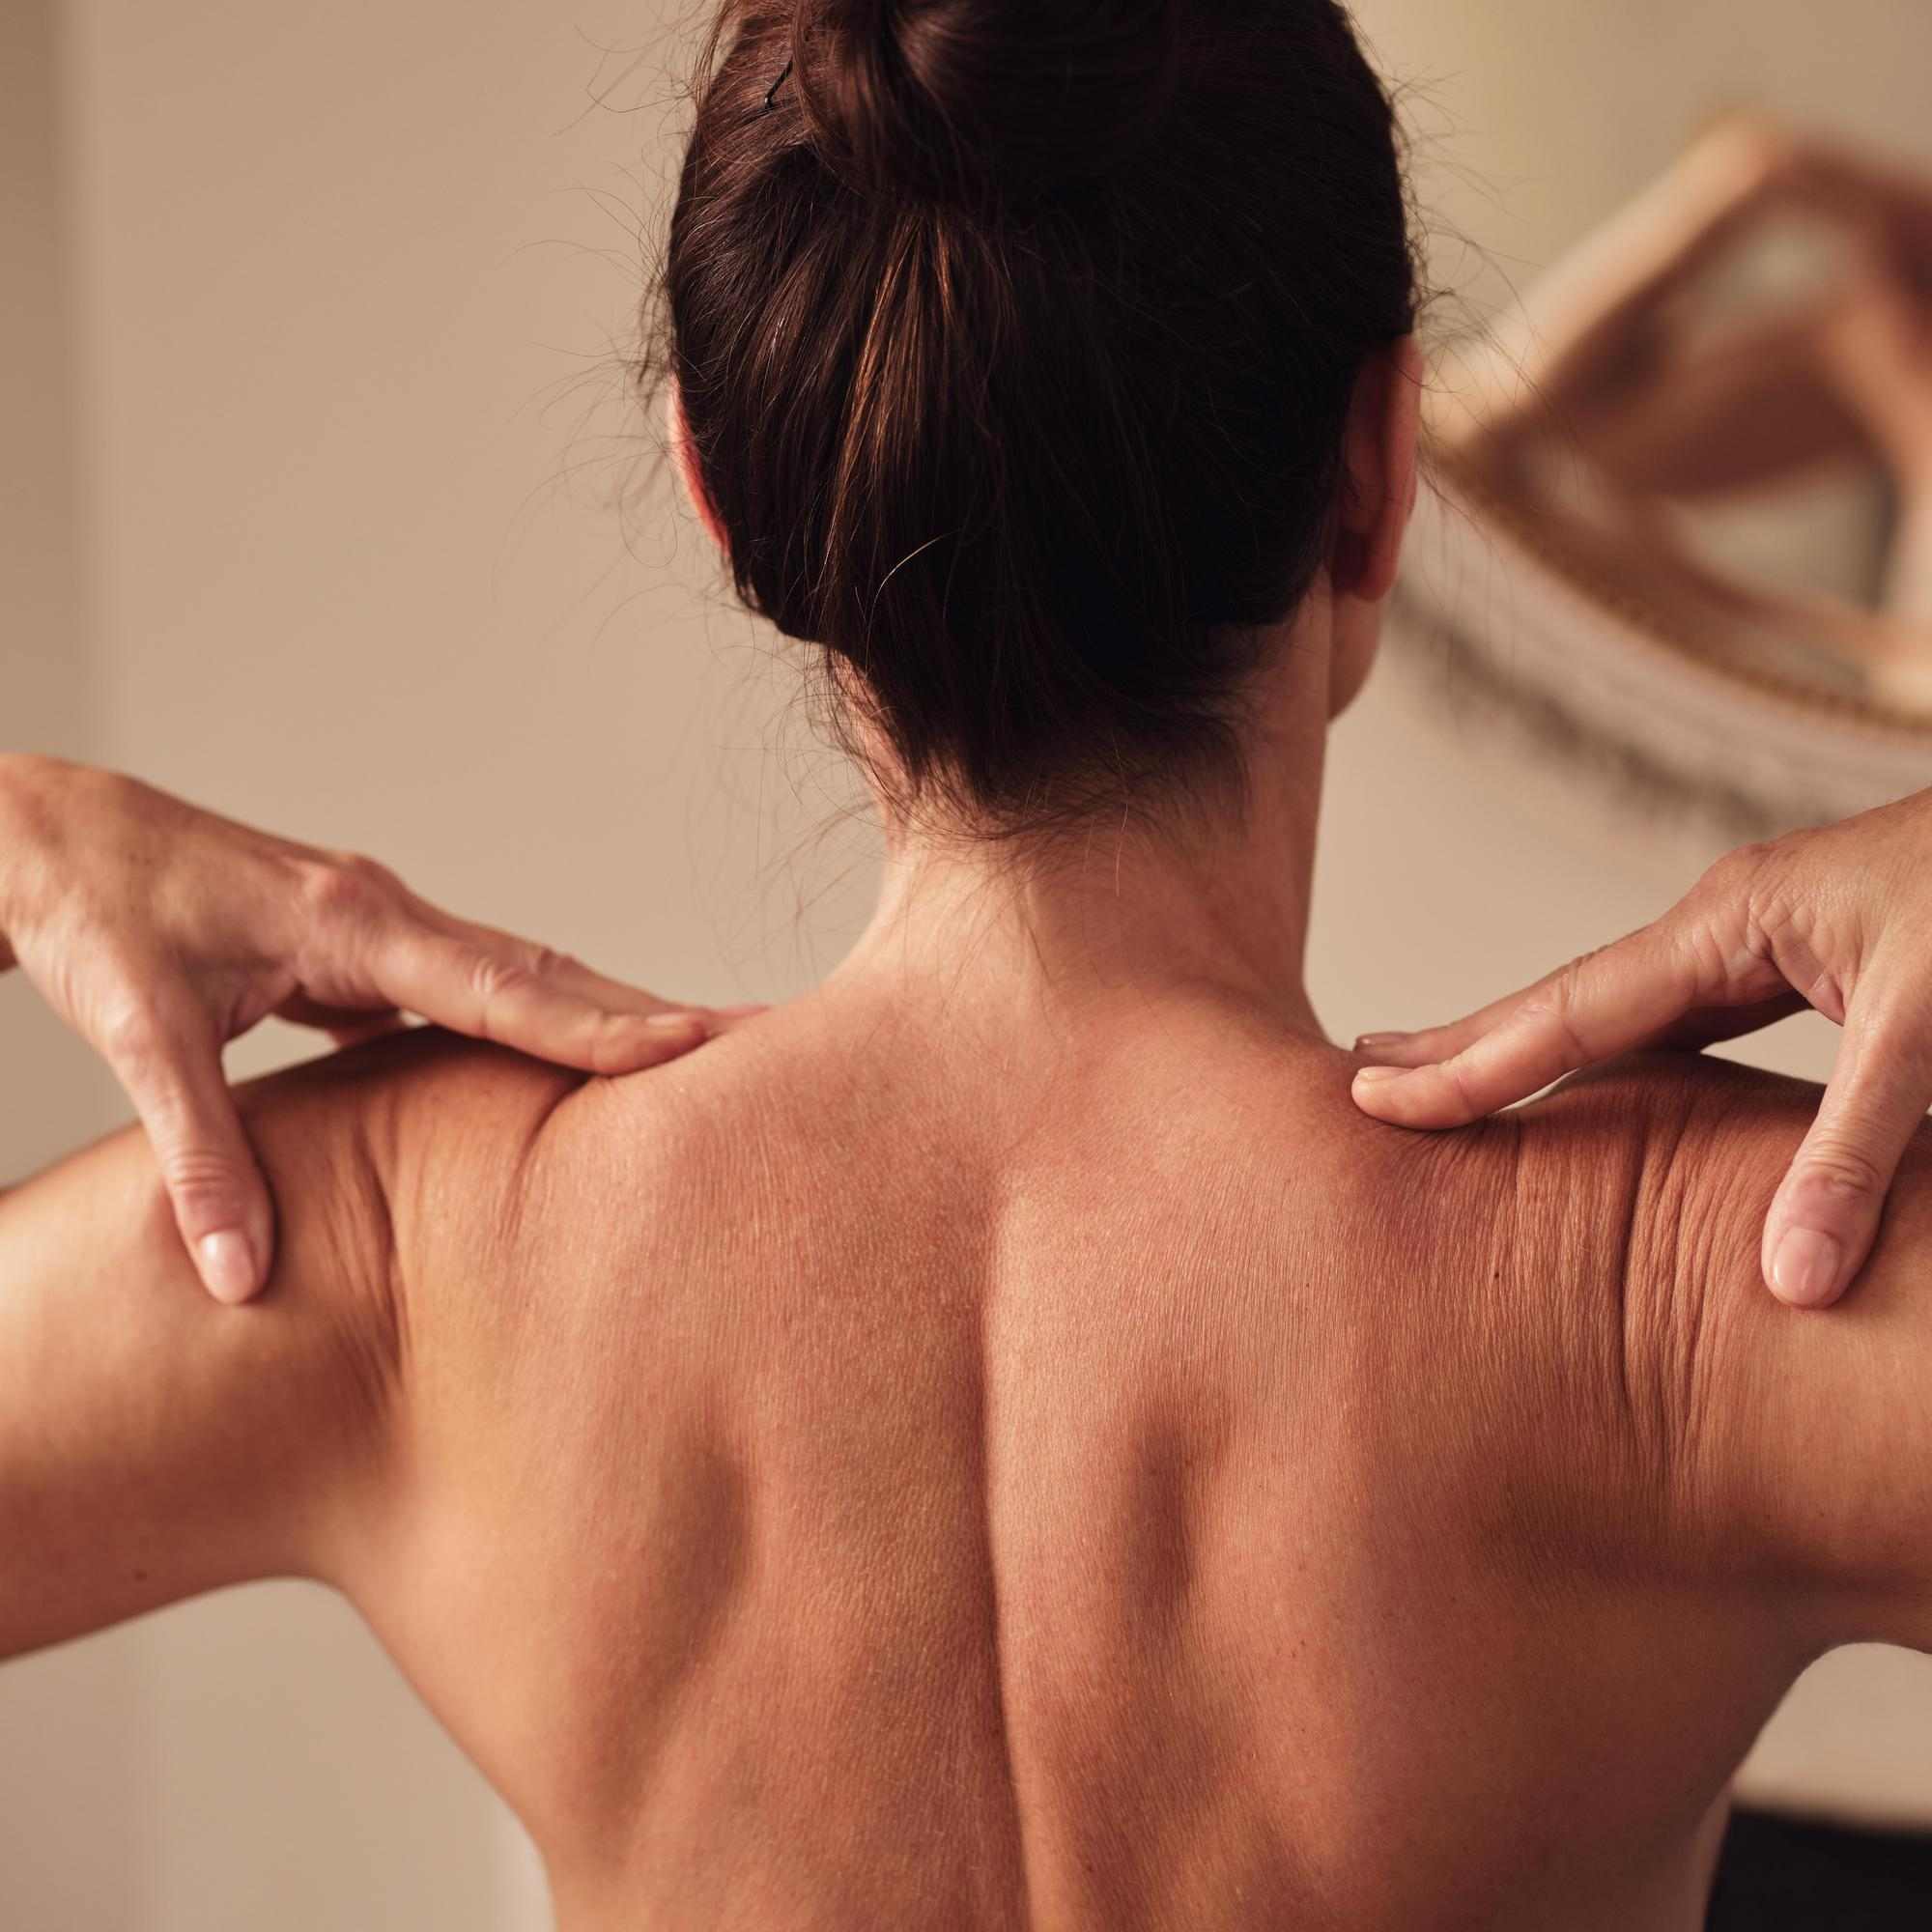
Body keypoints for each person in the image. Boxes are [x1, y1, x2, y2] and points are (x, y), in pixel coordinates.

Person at [7, 3, 1932, 1925]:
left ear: (724, 493)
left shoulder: (418, 1266)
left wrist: (18, 836)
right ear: (1376, 465)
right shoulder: (1686, 1305)